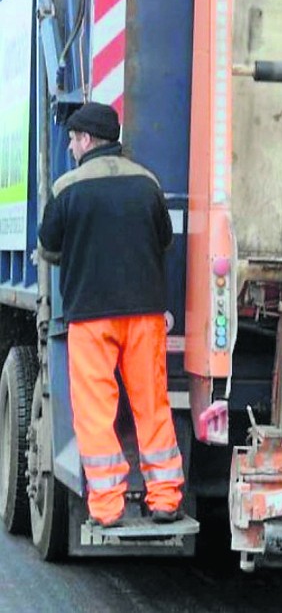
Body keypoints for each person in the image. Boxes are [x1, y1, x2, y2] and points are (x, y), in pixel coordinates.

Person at [38, 102, 184, 527]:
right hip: (145, 316)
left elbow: (49, 248)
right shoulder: (147, 183)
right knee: (152, 406)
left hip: (92, 317)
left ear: (86, 140)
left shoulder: (68, 188)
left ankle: (107, 508)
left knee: (96, 412)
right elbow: (164, 242)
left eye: (72, 139)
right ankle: (165, 499)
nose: (70, 146)